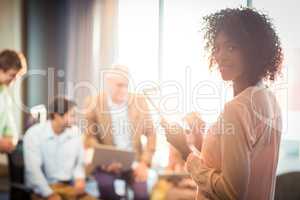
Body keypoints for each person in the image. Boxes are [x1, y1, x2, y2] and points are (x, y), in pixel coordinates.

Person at [162, 8, 283, 200]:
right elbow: (238, 163)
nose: (220, 56)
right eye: (217, 48)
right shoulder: (269, 99)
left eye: (231, 47)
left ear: (253, 51)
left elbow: (231, 193)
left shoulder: (237, 108)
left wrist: (185, 151)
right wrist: (202, 141)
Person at [84, 65, 156, 200]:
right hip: (107, 164)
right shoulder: (93, 102)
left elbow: (151, 134)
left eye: (126, 85)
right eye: (119, 85)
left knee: (142, 194)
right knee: (105, 187)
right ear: (108, 83)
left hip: (134, 163)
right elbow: (90, 137)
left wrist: (144, 163)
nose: (123, 89)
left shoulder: (139, 101)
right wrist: (105, 158)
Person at [24, 97, 97, 200]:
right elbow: (33, 170)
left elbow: (78, 163)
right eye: (71, 116)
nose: (75, 120)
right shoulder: (34, 134)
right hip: (43, 188)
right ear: (56, 115)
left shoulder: (75, 132)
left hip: (68, 187)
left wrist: (79, 178)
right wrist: (49, 194)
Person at [0, 49, 26, 153]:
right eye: (12, 75)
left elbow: (9, 125)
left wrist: (12, 139)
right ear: (1, 70)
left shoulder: (5, 95)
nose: (14, 79)